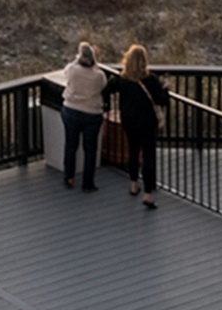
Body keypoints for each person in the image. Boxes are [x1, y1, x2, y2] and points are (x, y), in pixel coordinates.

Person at [111, 44, 169, 207]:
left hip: (129, 121)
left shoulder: (122, 79)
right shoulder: (150, 80)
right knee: (148, 156)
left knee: (133, 151)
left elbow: (107, 89)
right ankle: (148, 193)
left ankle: (134, 184)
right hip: (147, 123)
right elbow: (162, 100)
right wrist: (166, 89)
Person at [60, 42, 109, 190]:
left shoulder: (73, 70)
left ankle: (69, 178)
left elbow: (67, 70)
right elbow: (103, 87)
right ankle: (88, 183)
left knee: (71, 146)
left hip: (71, 111)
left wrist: (77, 59)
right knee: (90, 150)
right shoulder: (99, 75)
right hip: (92, 115)